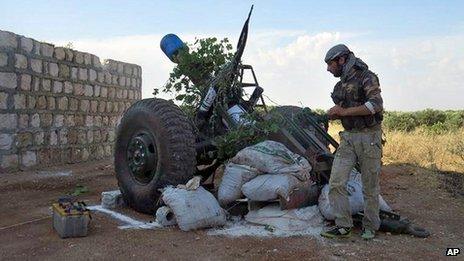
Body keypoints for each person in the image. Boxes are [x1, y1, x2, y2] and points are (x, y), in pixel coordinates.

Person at [320, 44, 384, 240]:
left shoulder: (367, 76)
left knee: (369, 185)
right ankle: (343, 226)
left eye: (331, 64)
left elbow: (375, 105)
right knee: (336, 182)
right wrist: (333, 113)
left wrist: (344, 112)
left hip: (369, 138)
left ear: (341, 60)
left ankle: (370, 226)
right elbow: (342, 106)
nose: (328, 69)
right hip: (348, 138)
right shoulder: (341, 85)